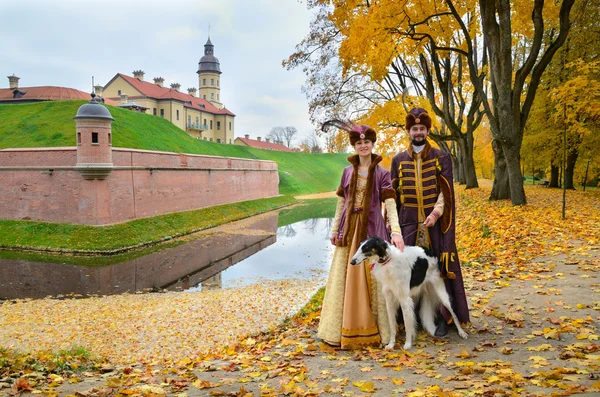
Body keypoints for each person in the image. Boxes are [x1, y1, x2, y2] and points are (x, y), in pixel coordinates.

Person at [317, 120, 403, 349]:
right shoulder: (346, 172)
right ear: (354, 146)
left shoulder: (383, 174)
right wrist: (335, 229)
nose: (363, 145)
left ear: (373, 143)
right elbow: (341, 203)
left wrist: (395, 232)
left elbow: (391, 205)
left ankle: (376, 330)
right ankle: (340, 330)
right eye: (359, 142)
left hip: (372, 231)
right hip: (349, 230)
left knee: (374, 280)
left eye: (367, 141)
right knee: (345, 278)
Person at [390, 108, 470, 335]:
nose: (418, 132)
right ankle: (409, 317)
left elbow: (446, 193)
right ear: (408, 131)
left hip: (434, 227)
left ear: (427, 130)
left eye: (421, 128)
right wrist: (392, 226)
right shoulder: (397, 160)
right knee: (407, 270)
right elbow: (392, 196)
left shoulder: (442, 157)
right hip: (407, 224)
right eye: (414, 129)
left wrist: (435, 214)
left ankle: (439, 318)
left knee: (435, 270)